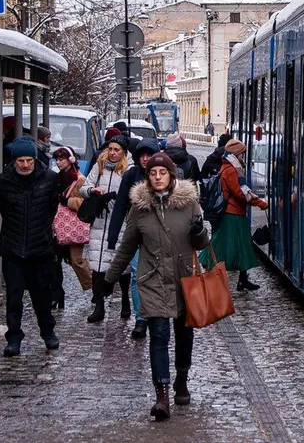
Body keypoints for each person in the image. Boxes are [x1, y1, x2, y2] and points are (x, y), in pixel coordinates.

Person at [103, 152, 209, 418]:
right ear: (148, 177)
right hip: (153, 280)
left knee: (184, 335)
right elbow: (127, 247)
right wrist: (109, 279)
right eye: (153, 173)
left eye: (163, 173)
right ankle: (161, 395)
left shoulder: (189, 204)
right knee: (159, 336)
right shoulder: (139, 209)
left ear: (172, 176)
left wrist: (200, 233)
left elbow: (203, 243)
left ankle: (181, 379)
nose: (158, 177)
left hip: (184, 279)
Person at [0, 136, 59, 357]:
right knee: (14, 297)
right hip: (13, 246)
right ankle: (13, 337)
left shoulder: (49, 179)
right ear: (14, 161)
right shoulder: (2, 182)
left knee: (42, 295)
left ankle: (48, 332)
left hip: (40, 246)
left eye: (29, 160)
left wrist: (43, 233)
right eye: (20, 160)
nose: (25, 165)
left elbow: (51, 209)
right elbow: (3, 210)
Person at [106, 138, 161, 339]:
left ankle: (159, 313)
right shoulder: (131, 175)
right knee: (138, 274)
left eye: (149, 155)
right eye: (142, 155)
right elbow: (120, 205)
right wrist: (112, 237)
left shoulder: (164, 174)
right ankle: (141, 318)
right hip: (138, 235)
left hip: (162, 237)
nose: (145, 159)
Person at [200, 139, 266, 291]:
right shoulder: (230, 170)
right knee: (222, 244)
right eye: (242, 153)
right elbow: (240, 193)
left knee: (241, 246)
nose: (244, 156)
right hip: (232, 214)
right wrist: (259, 203)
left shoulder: (231, 167)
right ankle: (208, 268)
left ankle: (243, 279)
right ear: (237, 154)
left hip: (236, 213)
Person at [81, 134, 130, 324]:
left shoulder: (128, 170)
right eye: (110, 149)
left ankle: (125, 300)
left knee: (121, 265)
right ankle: (99, 306)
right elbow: (84, 187)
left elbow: (133, 195)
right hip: (100, 221)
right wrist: (93, 191)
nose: (112, 153)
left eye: (116, 150)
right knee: (97, 264)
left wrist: (116, 197)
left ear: (123, 152)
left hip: (120, 223)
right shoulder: (99, 166)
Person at [50, 146, 88, 310]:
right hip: (57, 226)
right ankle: (56, 295)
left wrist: (67, 202)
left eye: (62, 159)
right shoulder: (56, 178)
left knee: (76, 261)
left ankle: (98, 287)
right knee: (54, 261)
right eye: (57, 159)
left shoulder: (80, 180)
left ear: (70, 160)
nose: (59, 162)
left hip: (72, 227)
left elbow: (85, 204)